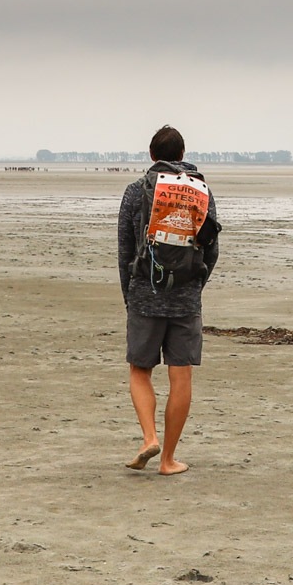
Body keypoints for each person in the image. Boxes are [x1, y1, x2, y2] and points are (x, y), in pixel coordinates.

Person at [117, 125, 221, 476]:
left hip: (145, 294)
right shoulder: (201, 192)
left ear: (151, 156)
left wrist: (130, 294)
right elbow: (212, 247)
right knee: (181, 376)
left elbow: (125, 250)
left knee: (139, 369)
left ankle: (149, 437)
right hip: (186, 296)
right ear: (182, 155)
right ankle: (168, 460)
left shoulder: (135, 192)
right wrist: (195, 284)